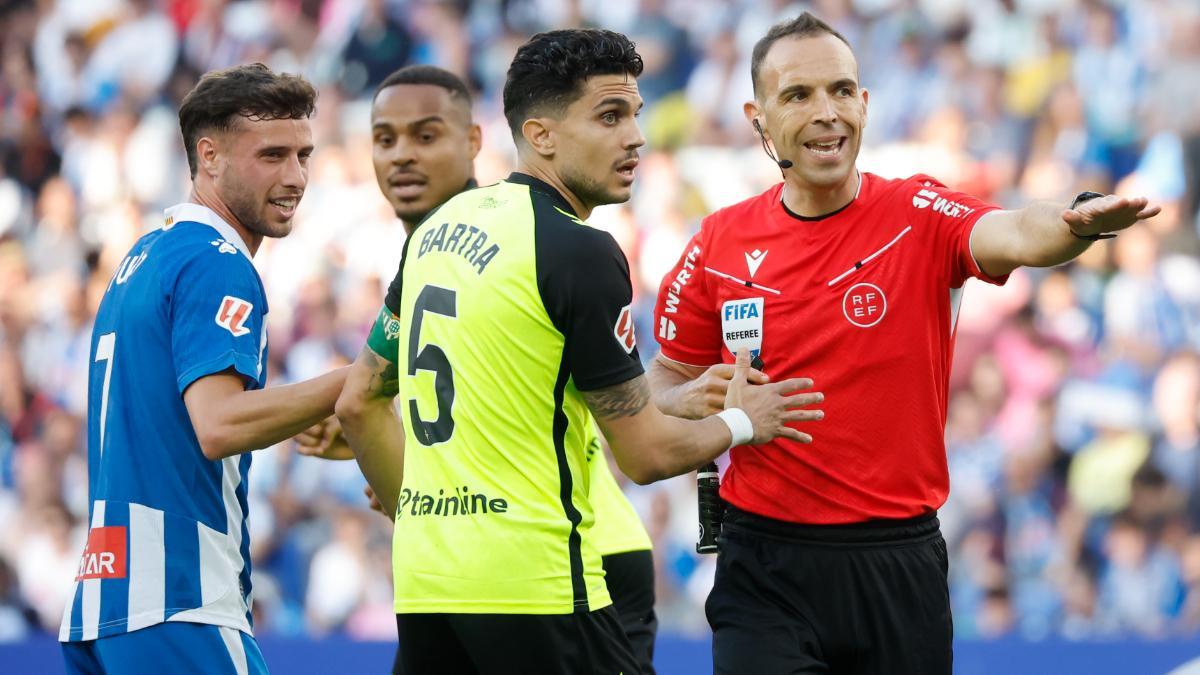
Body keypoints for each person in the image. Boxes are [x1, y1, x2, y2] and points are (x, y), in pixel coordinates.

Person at [650, 13, 1160, 675]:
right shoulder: (718, 242)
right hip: (763, 564)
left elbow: (1016, 233)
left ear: (865, 104)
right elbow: (662, 381)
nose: (826, 112)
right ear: (757, 117)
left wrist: (1076, 222)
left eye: (840, 90)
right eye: (798, 95)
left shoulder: (918, 213)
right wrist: (702, 399)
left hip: (896, 563)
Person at [334, 29, 822, 674]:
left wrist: (420, 510)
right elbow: (644, 456)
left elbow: (359, 403)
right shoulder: (578, 250)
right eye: (610, 116)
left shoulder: (435, 234)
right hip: (537, 580)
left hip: (428, 582)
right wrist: (741, 423)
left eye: (636, 115)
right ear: (541, 136)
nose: (635, 138)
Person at [301, 64, 658, 673]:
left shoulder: (527, 240)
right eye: (385, 140)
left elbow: (596, 410)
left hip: (572, 553)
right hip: (478, 566)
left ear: (474, 143)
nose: (402, 157)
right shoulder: (438, 247)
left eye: (426, 135)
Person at [58, 64, 348, 675]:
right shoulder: (217, 259)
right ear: (209, 156)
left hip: (106, 599)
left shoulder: (148, 252)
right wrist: (361, 378)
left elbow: (173, 417)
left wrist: (289, 413)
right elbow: (218, 425)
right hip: (179, 596)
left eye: (303, 155)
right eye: (271, 155)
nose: (295, 177)